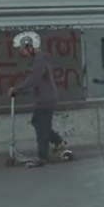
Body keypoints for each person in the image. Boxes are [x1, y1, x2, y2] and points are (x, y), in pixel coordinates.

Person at [8, 31, 68, 167]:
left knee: (42, 128)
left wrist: (17, 90)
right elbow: (33, 81)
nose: (22, 53)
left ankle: (43, 156)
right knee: (38, 123)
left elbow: (34, 80)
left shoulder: (40, 60)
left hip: (46, 99)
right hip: (44, 97)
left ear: (29, 45)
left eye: (22, 49)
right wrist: (20, 90)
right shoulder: (39, 59)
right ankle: (58, 142)